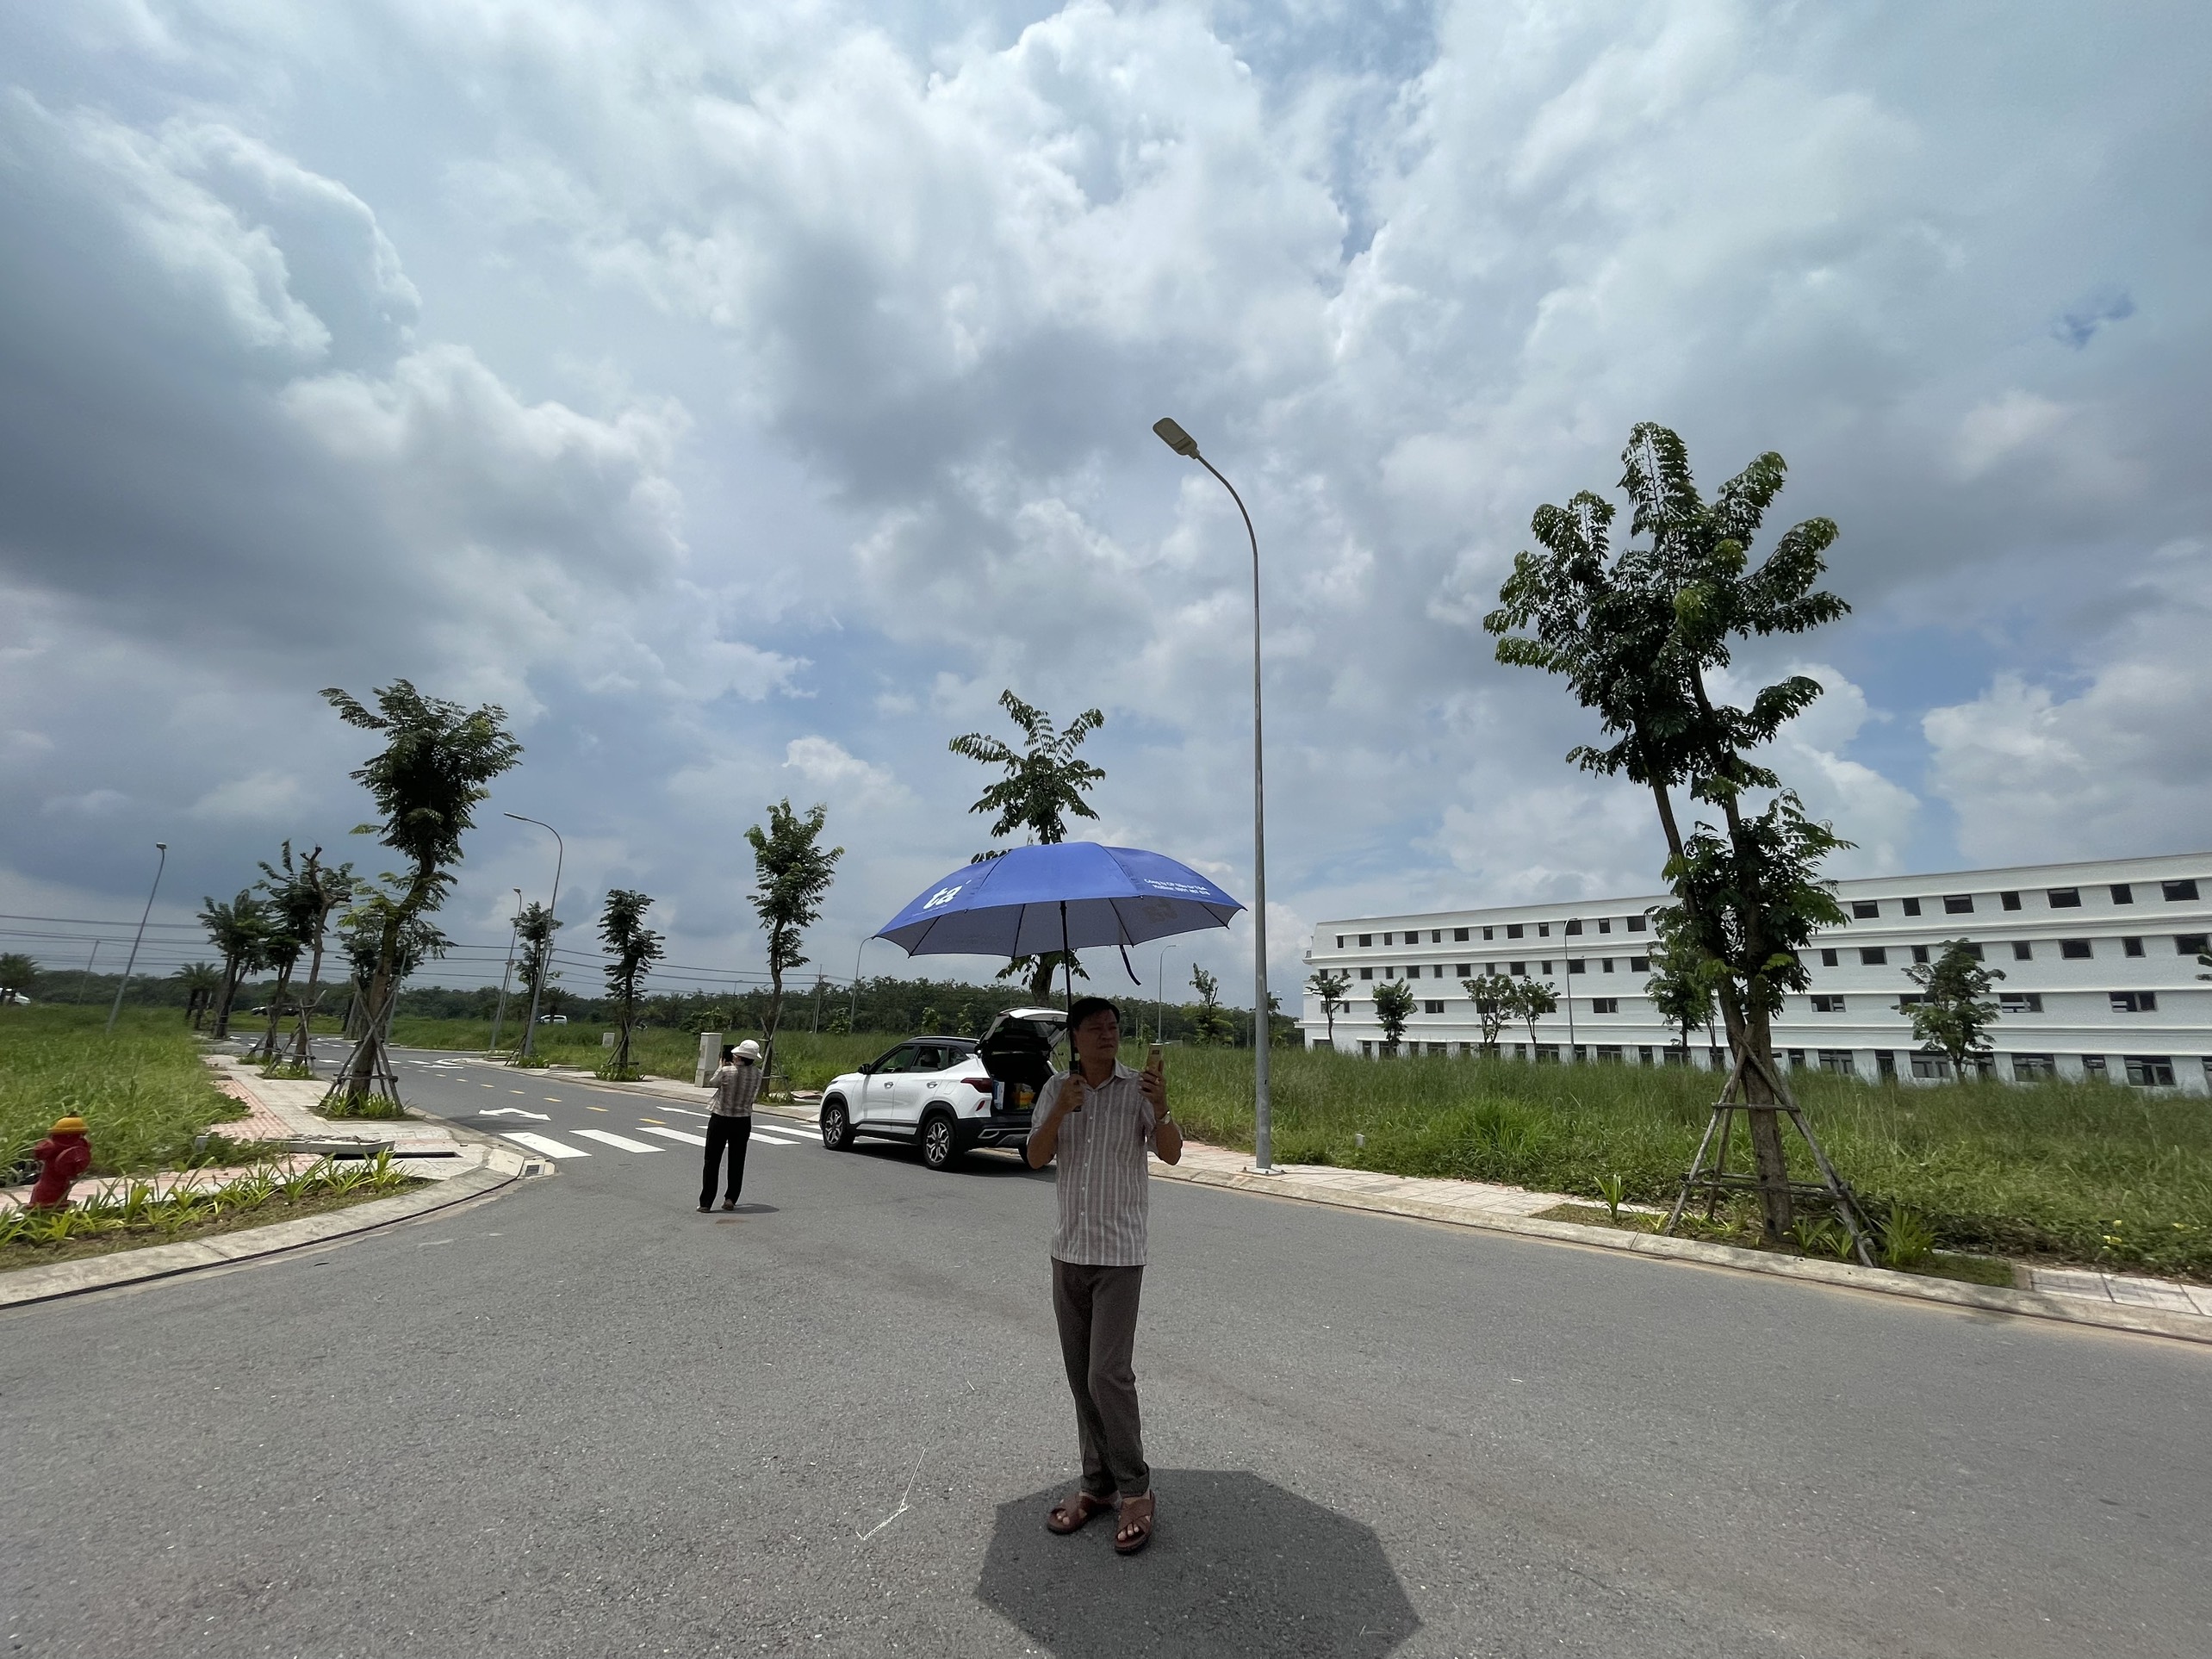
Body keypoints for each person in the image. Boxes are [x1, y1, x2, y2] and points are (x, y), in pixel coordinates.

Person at [1024, 996, 1181, 1556]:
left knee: (1107, 1375)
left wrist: (1162, 1108)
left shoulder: (1138, 1088)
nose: (1107, 1034)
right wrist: (1060, 1111)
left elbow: (1171, 1155)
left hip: (1119, 1255)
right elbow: (1035, 1157)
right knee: (1079, 1377)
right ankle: (1097, 1483)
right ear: (1074, 1037)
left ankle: (1136, 1490)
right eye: (1094, 1027)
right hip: (1069, 1251)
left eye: (1112, 1026)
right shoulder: (1055, 1090)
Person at [702, 1040, 761, 1211]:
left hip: (721, 1117)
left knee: (712, 1160)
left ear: (738, 1056)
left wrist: (721, 1065)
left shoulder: (726, 1071)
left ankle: (706, 1202)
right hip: (743, 1120)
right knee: (737, 1160)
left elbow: (712, 1082)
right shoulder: (757, 1074)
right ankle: (731, 1198)